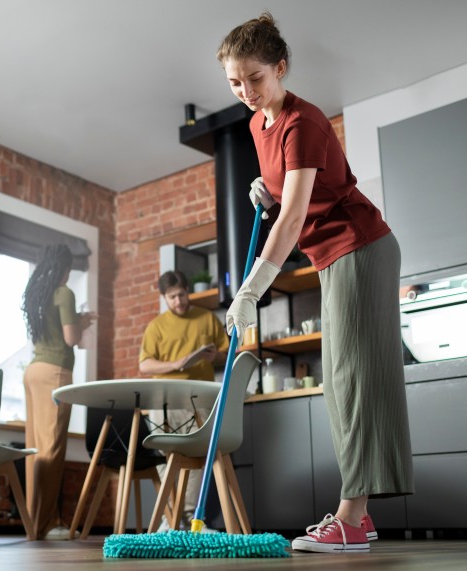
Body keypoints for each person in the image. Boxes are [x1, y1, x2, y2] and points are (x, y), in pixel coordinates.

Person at [217, 13, 414, 553]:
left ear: (280, 68)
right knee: (341, 381)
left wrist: (252, 288)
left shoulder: (303, 122)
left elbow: (294, 216)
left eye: (255, 78)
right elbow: (289, 194)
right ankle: (361, 518)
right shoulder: (260, 126)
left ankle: (351, 519)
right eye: (235, 82)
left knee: (354, 378)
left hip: (361, 246)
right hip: (332, 257)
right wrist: (268, 185)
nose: (246, 91)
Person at [139, 269, 229, 531]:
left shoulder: (206, 318)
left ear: (188, 291)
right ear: (164, 298)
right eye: (172, 297)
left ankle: (192, 519)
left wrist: (216, 357)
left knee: (197, 457)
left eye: (181, 294)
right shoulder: (156, 326)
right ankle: (170, 519)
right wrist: (176, 363)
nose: (179, 301)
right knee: (166, 457)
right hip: (163, 399)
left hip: (199, 398)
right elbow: (145, 365)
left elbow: (226, 352)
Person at [21, 243, 96, 541]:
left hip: (33, 371)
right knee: (52, 450)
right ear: (64, 267)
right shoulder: (65, 293)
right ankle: (46, 525)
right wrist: (84, 321)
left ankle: (33, 522)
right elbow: (71, 338)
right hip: (56, 372)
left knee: (35, 450)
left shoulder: (36, 295)